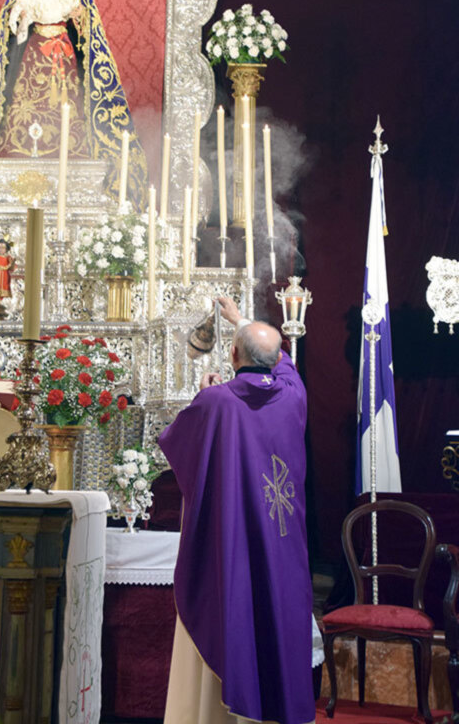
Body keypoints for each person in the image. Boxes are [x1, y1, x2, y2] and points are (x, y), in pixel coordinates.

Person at [159, 297, 315, 724]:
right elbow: (284, 364)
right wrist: (242, 321)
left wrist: (205, 395)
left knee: (238, 609)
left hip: (238, 543)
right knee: (278, 614)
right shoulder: (293, 395)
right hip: (283, 543)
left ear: (232, 355)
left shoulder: (216, 402)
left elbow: (179, 443)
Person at [0, 0, 147, 207]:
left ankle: (69, 146)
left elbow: (83, 22)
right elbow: (18, 29)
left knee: (65, 100)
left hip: (62, 52)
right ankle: (21, 146)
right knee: (28, 97)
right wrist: (20, 20)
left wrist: (80, 17)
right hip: (35, 51)